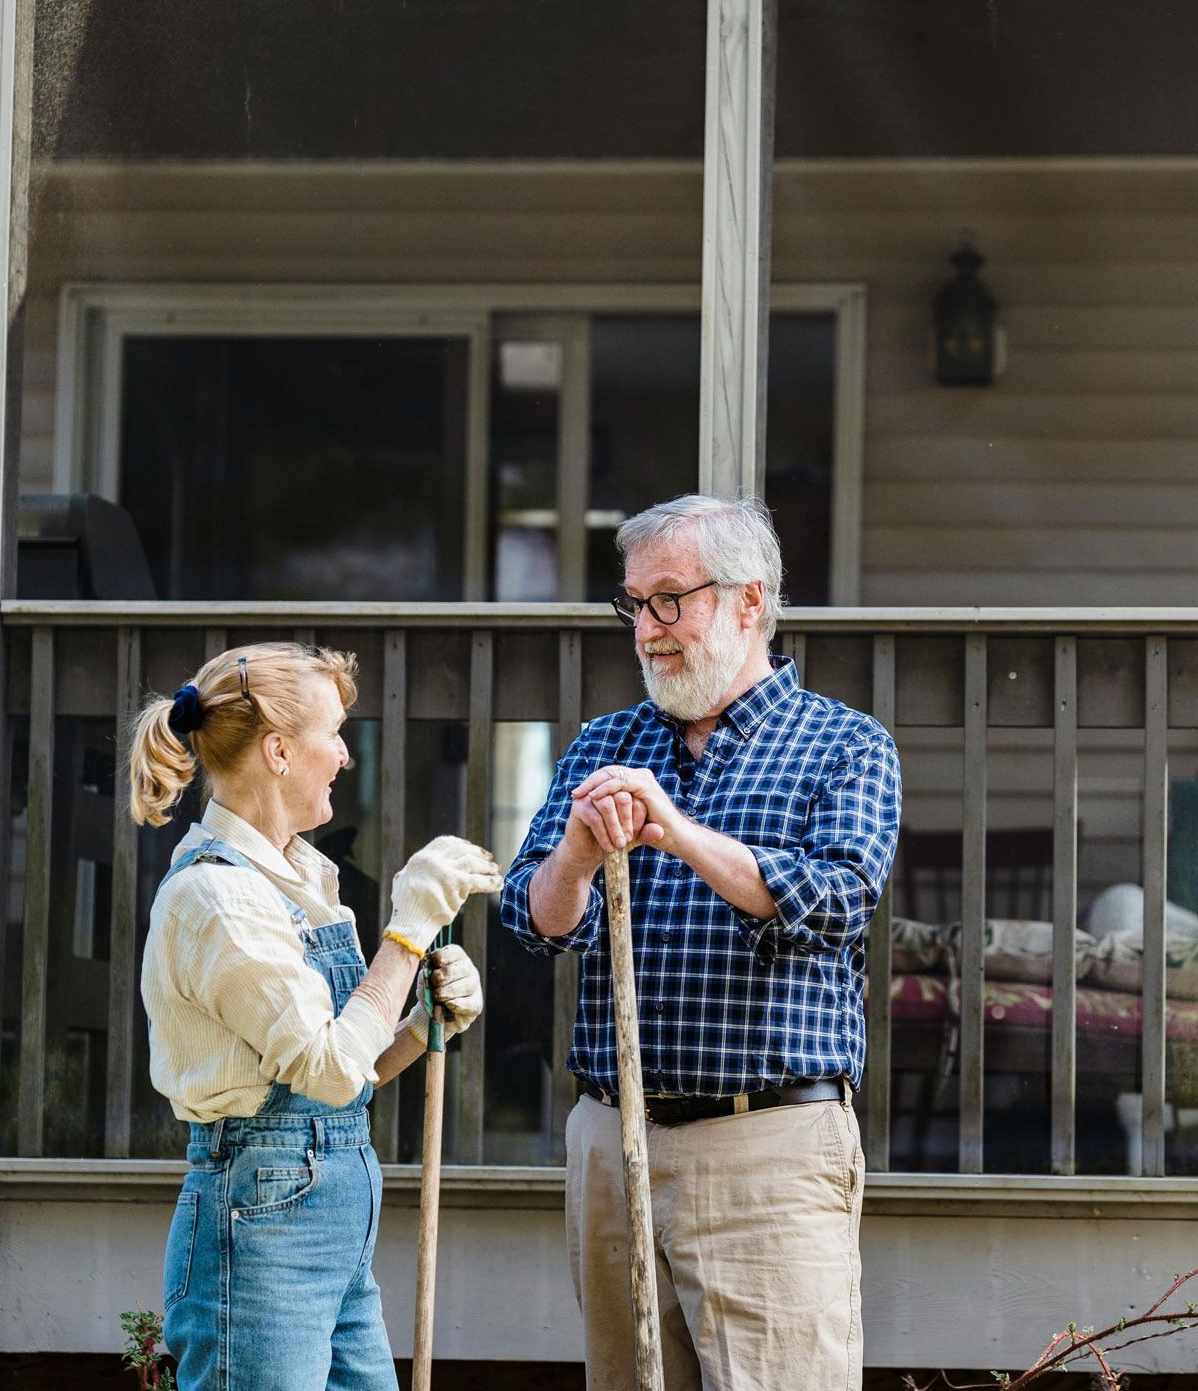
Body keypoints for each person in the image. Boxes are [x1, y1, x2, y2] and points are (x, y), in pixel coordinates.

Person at [502, 494, 902, 1390]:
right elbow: (530, 924)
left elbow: (837, 902)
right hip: (613, 1137)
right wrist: (576, 846)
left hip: (768, 1145)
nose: (648, 629)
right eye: (635, 605)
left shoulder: (845, 745)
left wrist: (677, 831)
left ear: (749, 601)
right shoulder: (604, 745)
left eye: (670, 600)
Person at [128, 642, 504, 1389]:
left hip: (332, 1225)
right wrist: (409, 931)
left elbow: (344, 1068)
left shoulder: (301, 876)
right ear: (277, 751)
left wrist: (424, 1025)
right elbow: (330, 1072)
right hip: (260, 1231)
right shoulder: (218, 898)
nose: (343, 755)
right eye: (333, 734)